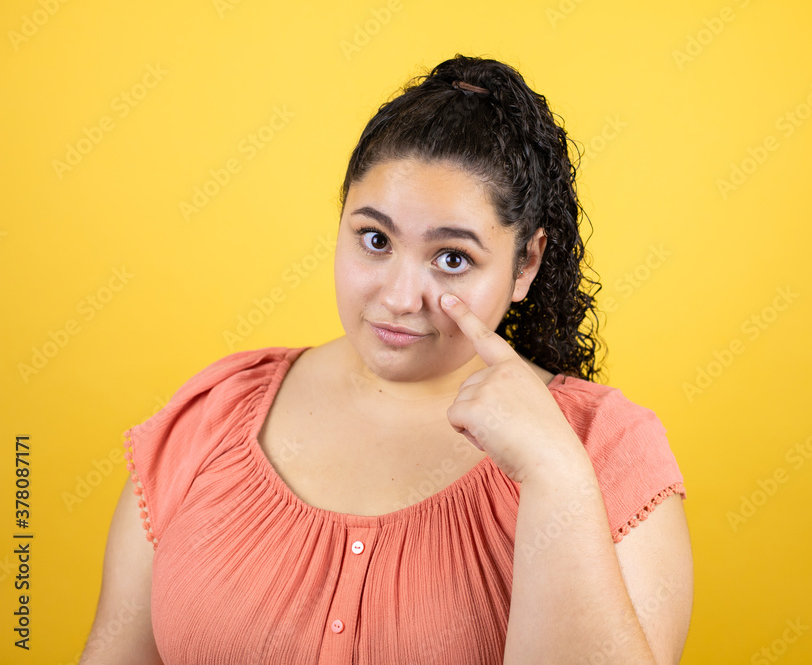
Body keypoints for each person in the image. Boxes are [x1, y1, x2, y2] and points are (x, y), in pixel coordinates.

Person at [81, 54, 693, 664]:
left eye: (452, 257)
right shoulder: (213, 416)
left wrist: (555, 473)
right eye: (375, 240)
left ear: (525, 264)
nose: (400, 298)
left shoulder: (607, 452)